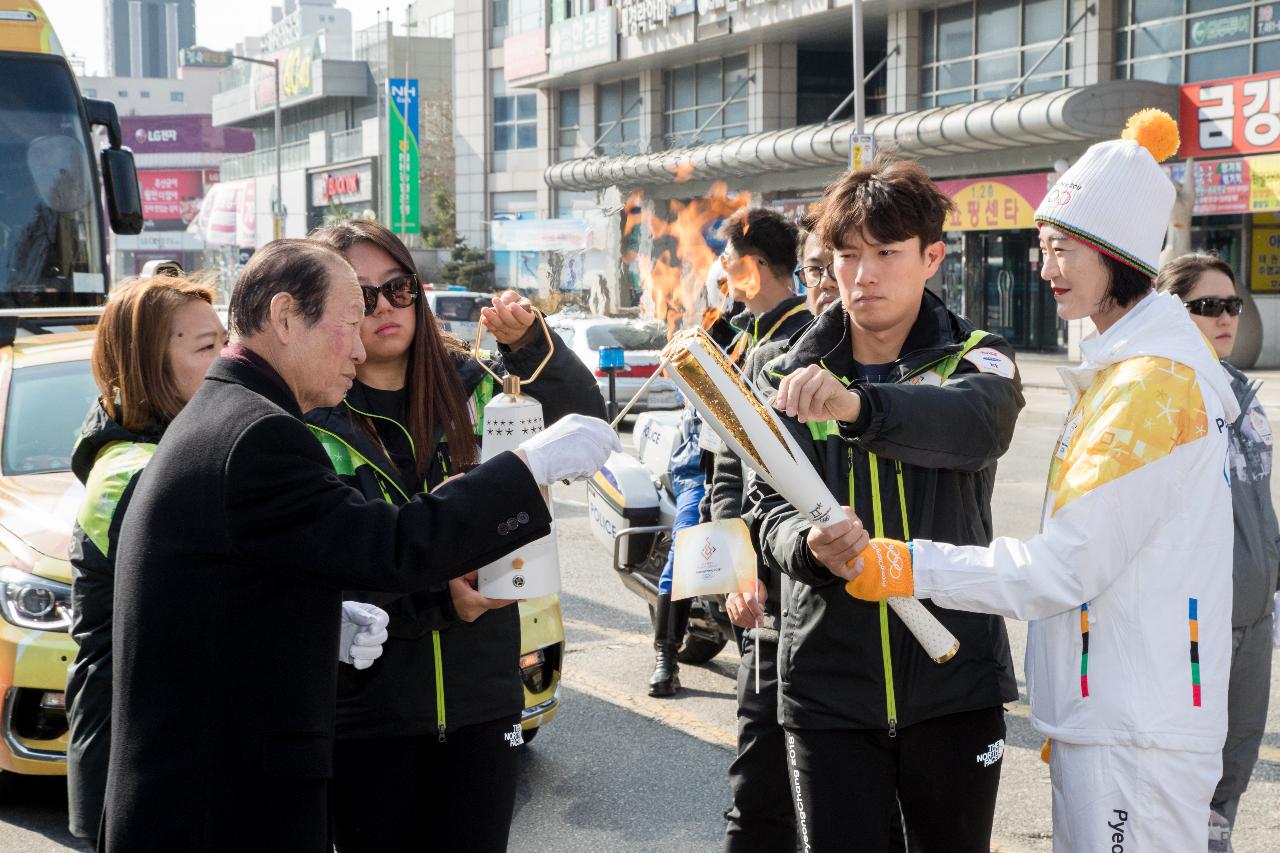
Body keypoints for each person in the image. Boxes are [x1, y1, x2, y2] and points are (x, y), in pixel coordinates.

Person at [99, 239, 619, 853]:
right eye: (350, 320)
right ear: (288, 317)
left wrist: (324, 616)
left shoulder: (230, 414)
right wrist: (526, 467)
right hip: (223, 807)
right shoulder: (261, 432)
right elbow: (388, 545)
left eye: (394, 294)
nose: (358, 342)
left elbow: (243, 591)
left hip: (217, 791)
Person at [831, 112, 1239, 850]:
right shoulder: (1127, 375)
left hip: (1133, 729)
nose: (1042, 266)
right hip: (1115, 718)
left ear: (1112, 253)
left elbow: (1061, 567)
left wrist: (907, 563)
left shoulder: (1149, 389)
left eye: (1059, 248)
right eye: (1041, 246)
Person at [748, 156, 1023, 852]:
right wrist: (806, 550)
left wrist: (858, 406)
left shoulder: (977, 357)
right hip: (827, 690)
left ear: (932, 256)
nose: (862, 274)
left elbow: (975, 426)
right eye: (846, 255)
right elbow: (764, 508)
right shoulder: (784, 370)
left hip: (954, 681)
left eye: (886, 253)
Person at [306, 220, 604, 853]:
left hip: (483, 698)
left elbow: (582, 431)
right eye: (362, 296)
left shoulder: (472, 384)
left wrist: (529, 348)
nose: (385, 307)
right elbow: (338, 562)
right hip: (367, 711)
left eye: (399, 287)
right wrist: (440, 596)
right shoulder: (312, 415)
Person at [66, 275, 227, 843]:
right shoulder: (134, 472)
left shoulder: (165, 448)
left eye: (225, 339)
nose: (227, 356)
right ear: (147, 368)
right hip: (140, 768)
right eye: (206, 347)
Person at [649, 208, 810, 697]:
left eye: (728, 258)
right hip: (730, 522)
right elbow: (725, 468)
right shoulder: (739, 331)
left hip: (786, 555)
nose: (720, 268)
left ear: (753, 266)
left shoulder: (804, 341)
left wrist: (751, 569)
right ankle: (665, 653)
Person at [1156, 253, 1278, 846]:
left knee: (1231, 777)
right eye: (1208, 307)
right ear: (1172, 312)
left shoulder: (1244, 396)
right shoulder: (1160, 395)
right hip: (1196, 628)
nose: (1225, 317)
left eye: (1232, 305)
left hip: (1253, 623)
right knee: (1185, 780)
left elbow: (1259, 513)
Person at [715, 217, 828, 852]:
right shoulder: (759, 350)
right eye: (819, 267)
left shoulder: (908, 361)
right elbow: (727, 475)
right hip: (769, 618)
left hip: (855, 627)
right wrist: (734, 570)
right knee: (755, 798)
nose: (832, 281)